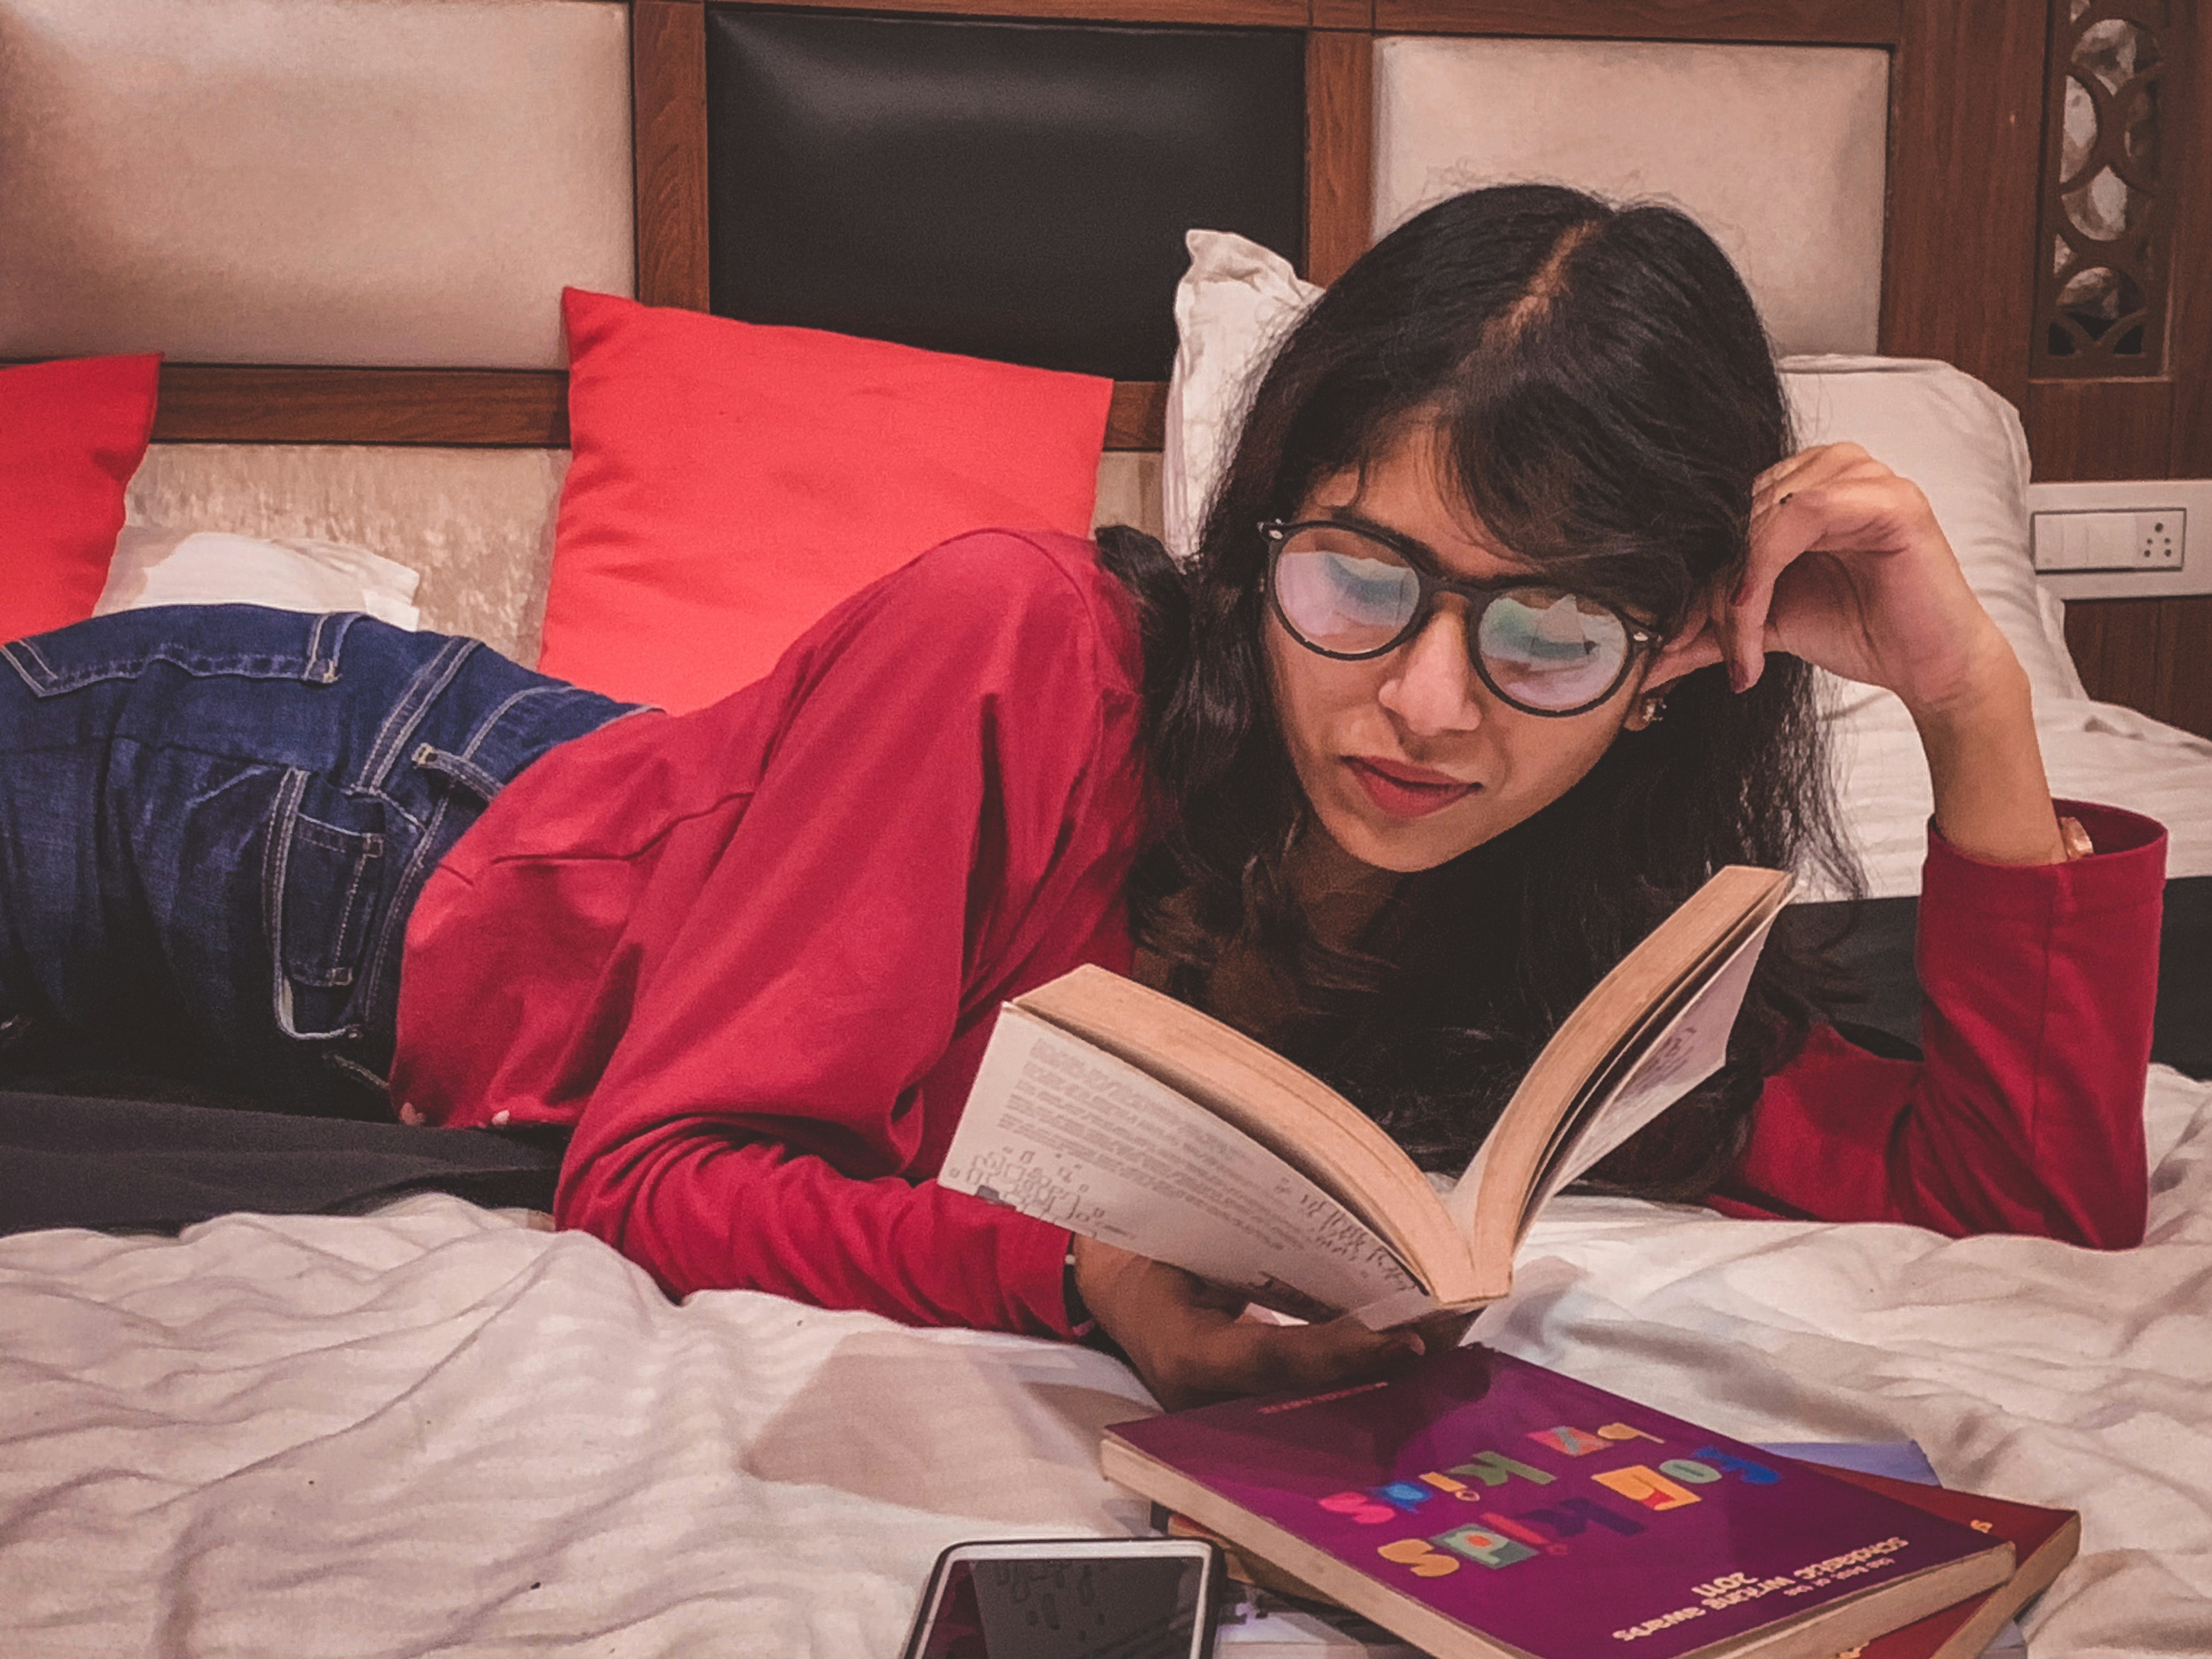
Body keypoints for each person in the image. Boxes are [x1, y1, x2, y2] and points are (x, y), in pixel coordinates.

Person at [0, 187, 2164, 1410]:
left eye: (1547, 635)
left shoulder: (1580, 910)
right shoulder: (1013, 644)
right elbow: (651, 1165)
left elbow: (2031, 1182)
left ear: (1680, 656)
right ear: (1263, 529)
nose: (1421, 708)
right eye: (1356, 576)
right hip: (296, 811)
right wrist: (1082, 1286)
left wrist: (1972, 689)